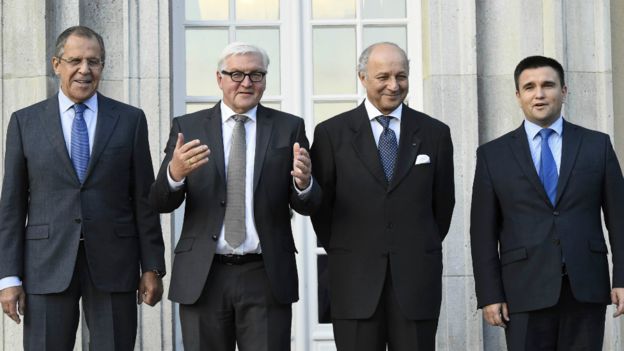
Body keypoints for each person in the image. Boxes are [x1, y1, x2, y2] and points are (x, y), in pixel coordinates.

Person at [0, 26, 165, 350]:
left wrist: (152, 266)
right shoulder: (25, 122)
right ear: (56, 64)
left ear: (103, 66)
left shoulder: (130, 120)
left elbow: (144, 200)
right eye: (75, 60)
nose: (84, 70)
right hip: (45, 264)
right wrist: (8, 277)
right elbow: (12, 206)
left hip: (115, 262)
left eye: (94, 61)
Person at [149, 42, 321, 351]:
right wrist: (174, 173)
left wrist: (304, 183)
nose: (246, 82)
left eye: (256, 74)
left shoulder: (288, 128)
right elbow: (161, 201)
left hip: (265, 274)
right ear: (219, 78)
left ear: (265, 80)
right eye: (237, 74)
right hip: (204, 274)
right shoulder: (188, 127)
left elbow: (307, 204)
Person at [470, 55, 624, 350]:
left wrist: (622, 278)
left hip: (586, 287)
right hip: (523, 290)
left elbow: (619, 219)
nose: (539, 94)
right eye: (529, 87)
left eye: (548, 85)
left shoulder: (597, 145)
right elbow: (482, 233)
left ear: (564, 91)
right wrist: (490, 294)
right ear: (518, 96)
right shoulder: (493, 155)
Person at [310, 42, 455, 351]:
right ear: (362, 77)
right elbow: (321, 210)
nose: (394, 85)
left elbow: (442, 206)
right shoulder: (330, 134)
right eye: (383, 76)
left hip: (416, 282)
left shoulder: (435, 133)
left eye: (401, 76)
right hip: (353, 281)